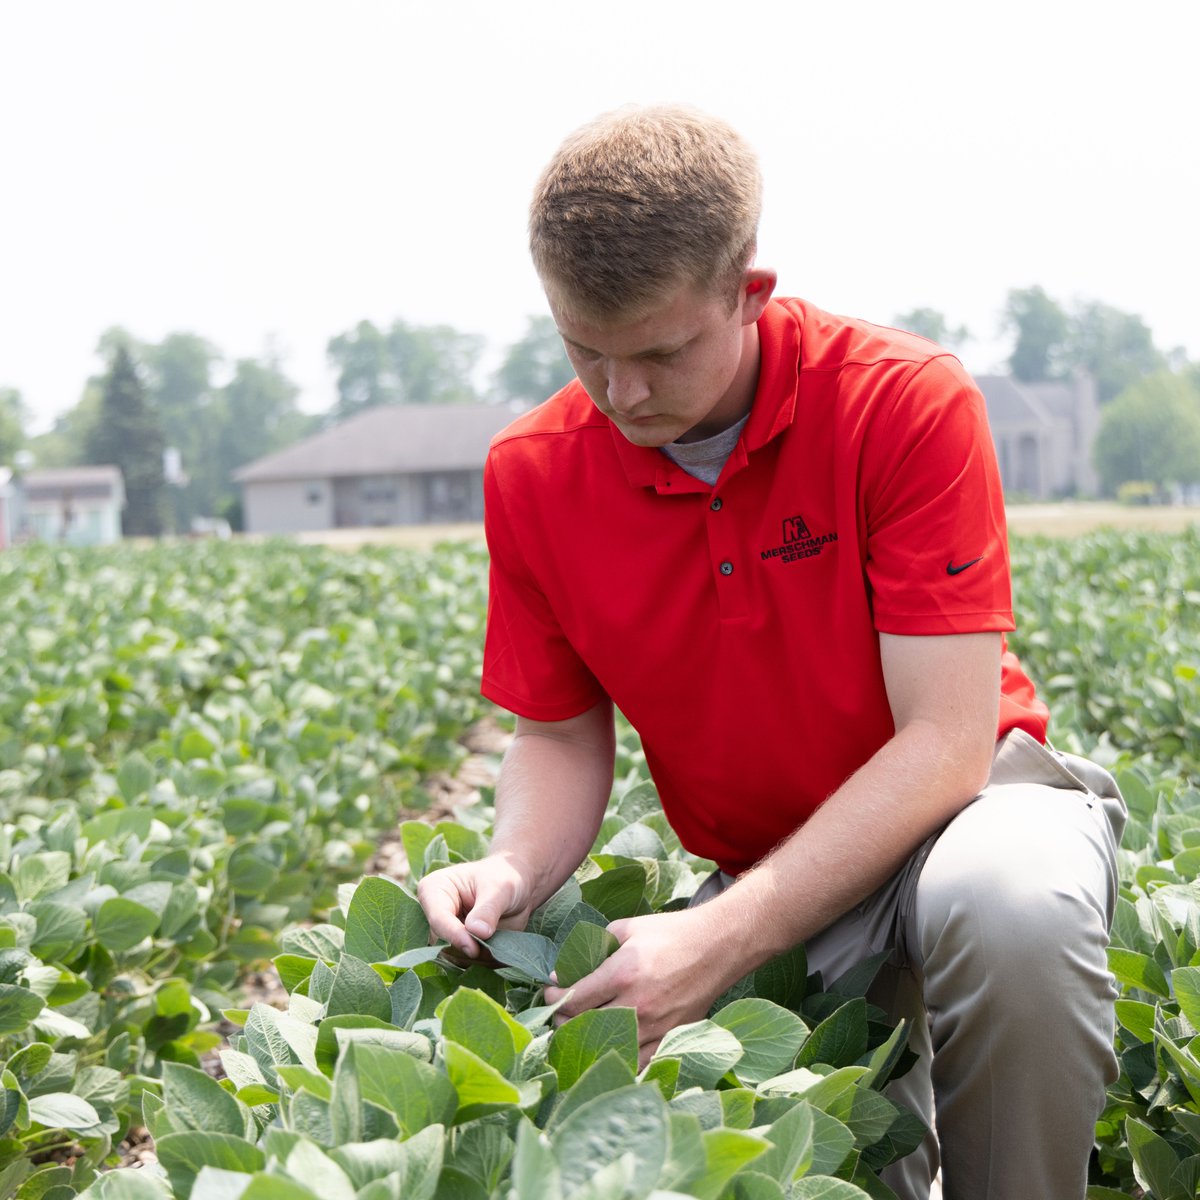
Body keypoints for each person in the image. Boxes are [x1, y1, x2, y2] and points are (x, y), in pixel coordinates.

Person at [417, 105, 1125, 1199]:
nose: (624, 394)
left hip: (968, 817)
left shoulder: (900, 401)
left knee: (1014, 904)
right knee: (811, 1166)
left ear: (750, 295)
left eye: (659, 351)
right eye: (584, 350)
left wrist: (720, 940)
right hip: (769, 870)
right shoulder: (535, 471)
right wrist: (513, 866)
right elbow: (556, 733)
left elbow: (945, 749)